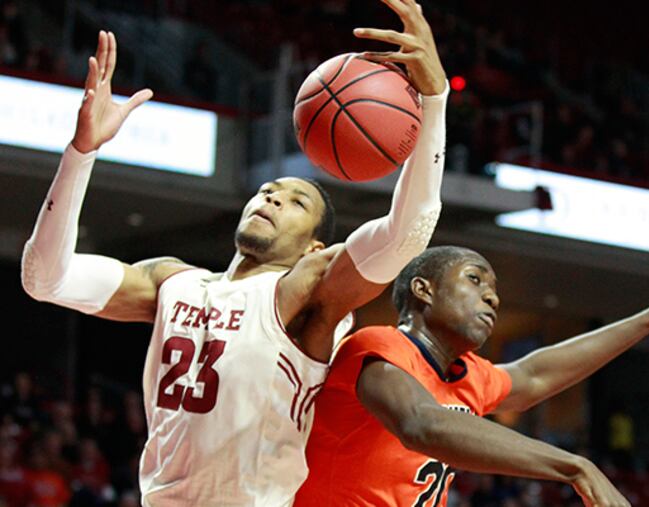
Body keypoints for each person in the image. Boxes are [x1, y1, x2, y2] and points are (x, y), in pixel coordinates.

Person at [20, 0, 449, 503]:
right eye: (269, 189)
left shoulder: (304, 290)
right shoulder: (172, 282)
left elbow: (407, 232)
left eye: (296, 201)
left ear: (315, 244)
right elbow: (44, 279)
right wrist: (81, 153)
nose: (272, 197)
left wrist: (435, 98)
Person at [295, 246, 649, 506]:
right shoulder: (376, 345)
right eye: (475, 281)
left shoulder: (467, 376)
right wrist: (575, 467)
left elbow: (536, 375)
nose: (492, 298)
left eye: (495, 291)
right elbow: (422, 425)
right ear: (423, 289)